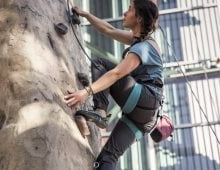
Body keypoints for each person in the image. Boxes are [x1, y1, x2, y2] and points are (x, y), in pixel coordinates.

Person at [64, 0, 163, 169]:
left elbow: (116, 74)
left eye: (130, 10)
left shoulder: (143, 48)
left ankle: (100, 111)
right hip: (146, 118)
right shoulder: (139, 40)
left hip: (145, 99)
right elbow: (107, 29)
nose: (125, 13)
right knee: (107, 157)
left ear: (139, 18)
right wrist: (86, 14)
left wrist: (85, 92)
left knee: (100, 64)